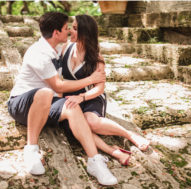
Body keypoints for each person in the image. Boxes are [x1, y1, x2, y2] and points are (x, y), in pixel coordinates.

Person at [7, 12, 117, 185]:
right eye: (67, 29)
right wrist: (91, 79)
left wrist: (97, 67)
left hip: (47, 104)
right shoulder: (39, 53)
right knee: (45, 92)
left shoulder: (59, 46)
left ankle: (94, 161)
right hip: (21, 104)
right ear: (56, 32)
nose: (70, 32)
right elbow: (58, 86)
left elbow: (84, 48)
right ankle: (31, 149)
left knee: (72, 106)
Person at [60, 14, 150, 166]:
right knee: (75, 126)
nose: (70, 31)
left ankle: (129, 135)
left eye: (75, 28)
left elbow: (100, 88)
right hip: (70, 97)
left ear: (85, 33)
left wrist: (81, 97)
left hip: (90, 97)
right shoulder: (64, 48)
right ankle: (113, 151)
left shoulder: (95, 57)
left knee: (90, 122)